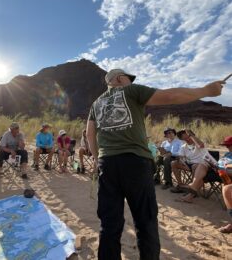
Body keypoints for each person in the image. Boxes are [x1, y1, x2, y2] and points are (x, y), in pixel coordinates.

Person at [86, 68, 224, 260]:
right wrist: (205, 90)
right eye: (129, 78)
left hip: (107, 164)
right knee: (146, 221)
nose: (131, 82)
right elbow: (170, 96)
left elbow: (89, 135)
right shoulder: (131, 91)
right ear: (118, 78)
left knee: (109, 224)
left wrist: (96, 159)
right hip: (135, 162)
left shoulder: (96, 103)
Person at [170, 129, 218, 202]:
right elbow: (180, 156)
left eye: (188, 137)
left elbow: (200, 145)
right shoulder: (184, 147)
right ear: (182, 139)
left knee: (195, 166)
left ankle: (192, 189)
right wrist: (180, 160)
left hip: (204, 164)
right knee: (173, 163)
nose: (188, 139)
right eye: (185, 138)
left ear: (192, 136)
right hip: (190, 164)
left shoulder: (198, 142)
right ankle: (181, 185)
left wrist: (191, 135)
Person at [218, 136, 232, 233]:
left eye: (228, 145)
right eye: (226, 146)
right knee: (226, 188)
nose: (227, 147)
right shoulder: (227, 154)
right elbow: (221, 163)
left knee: (227, 189)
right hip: (226, 176)